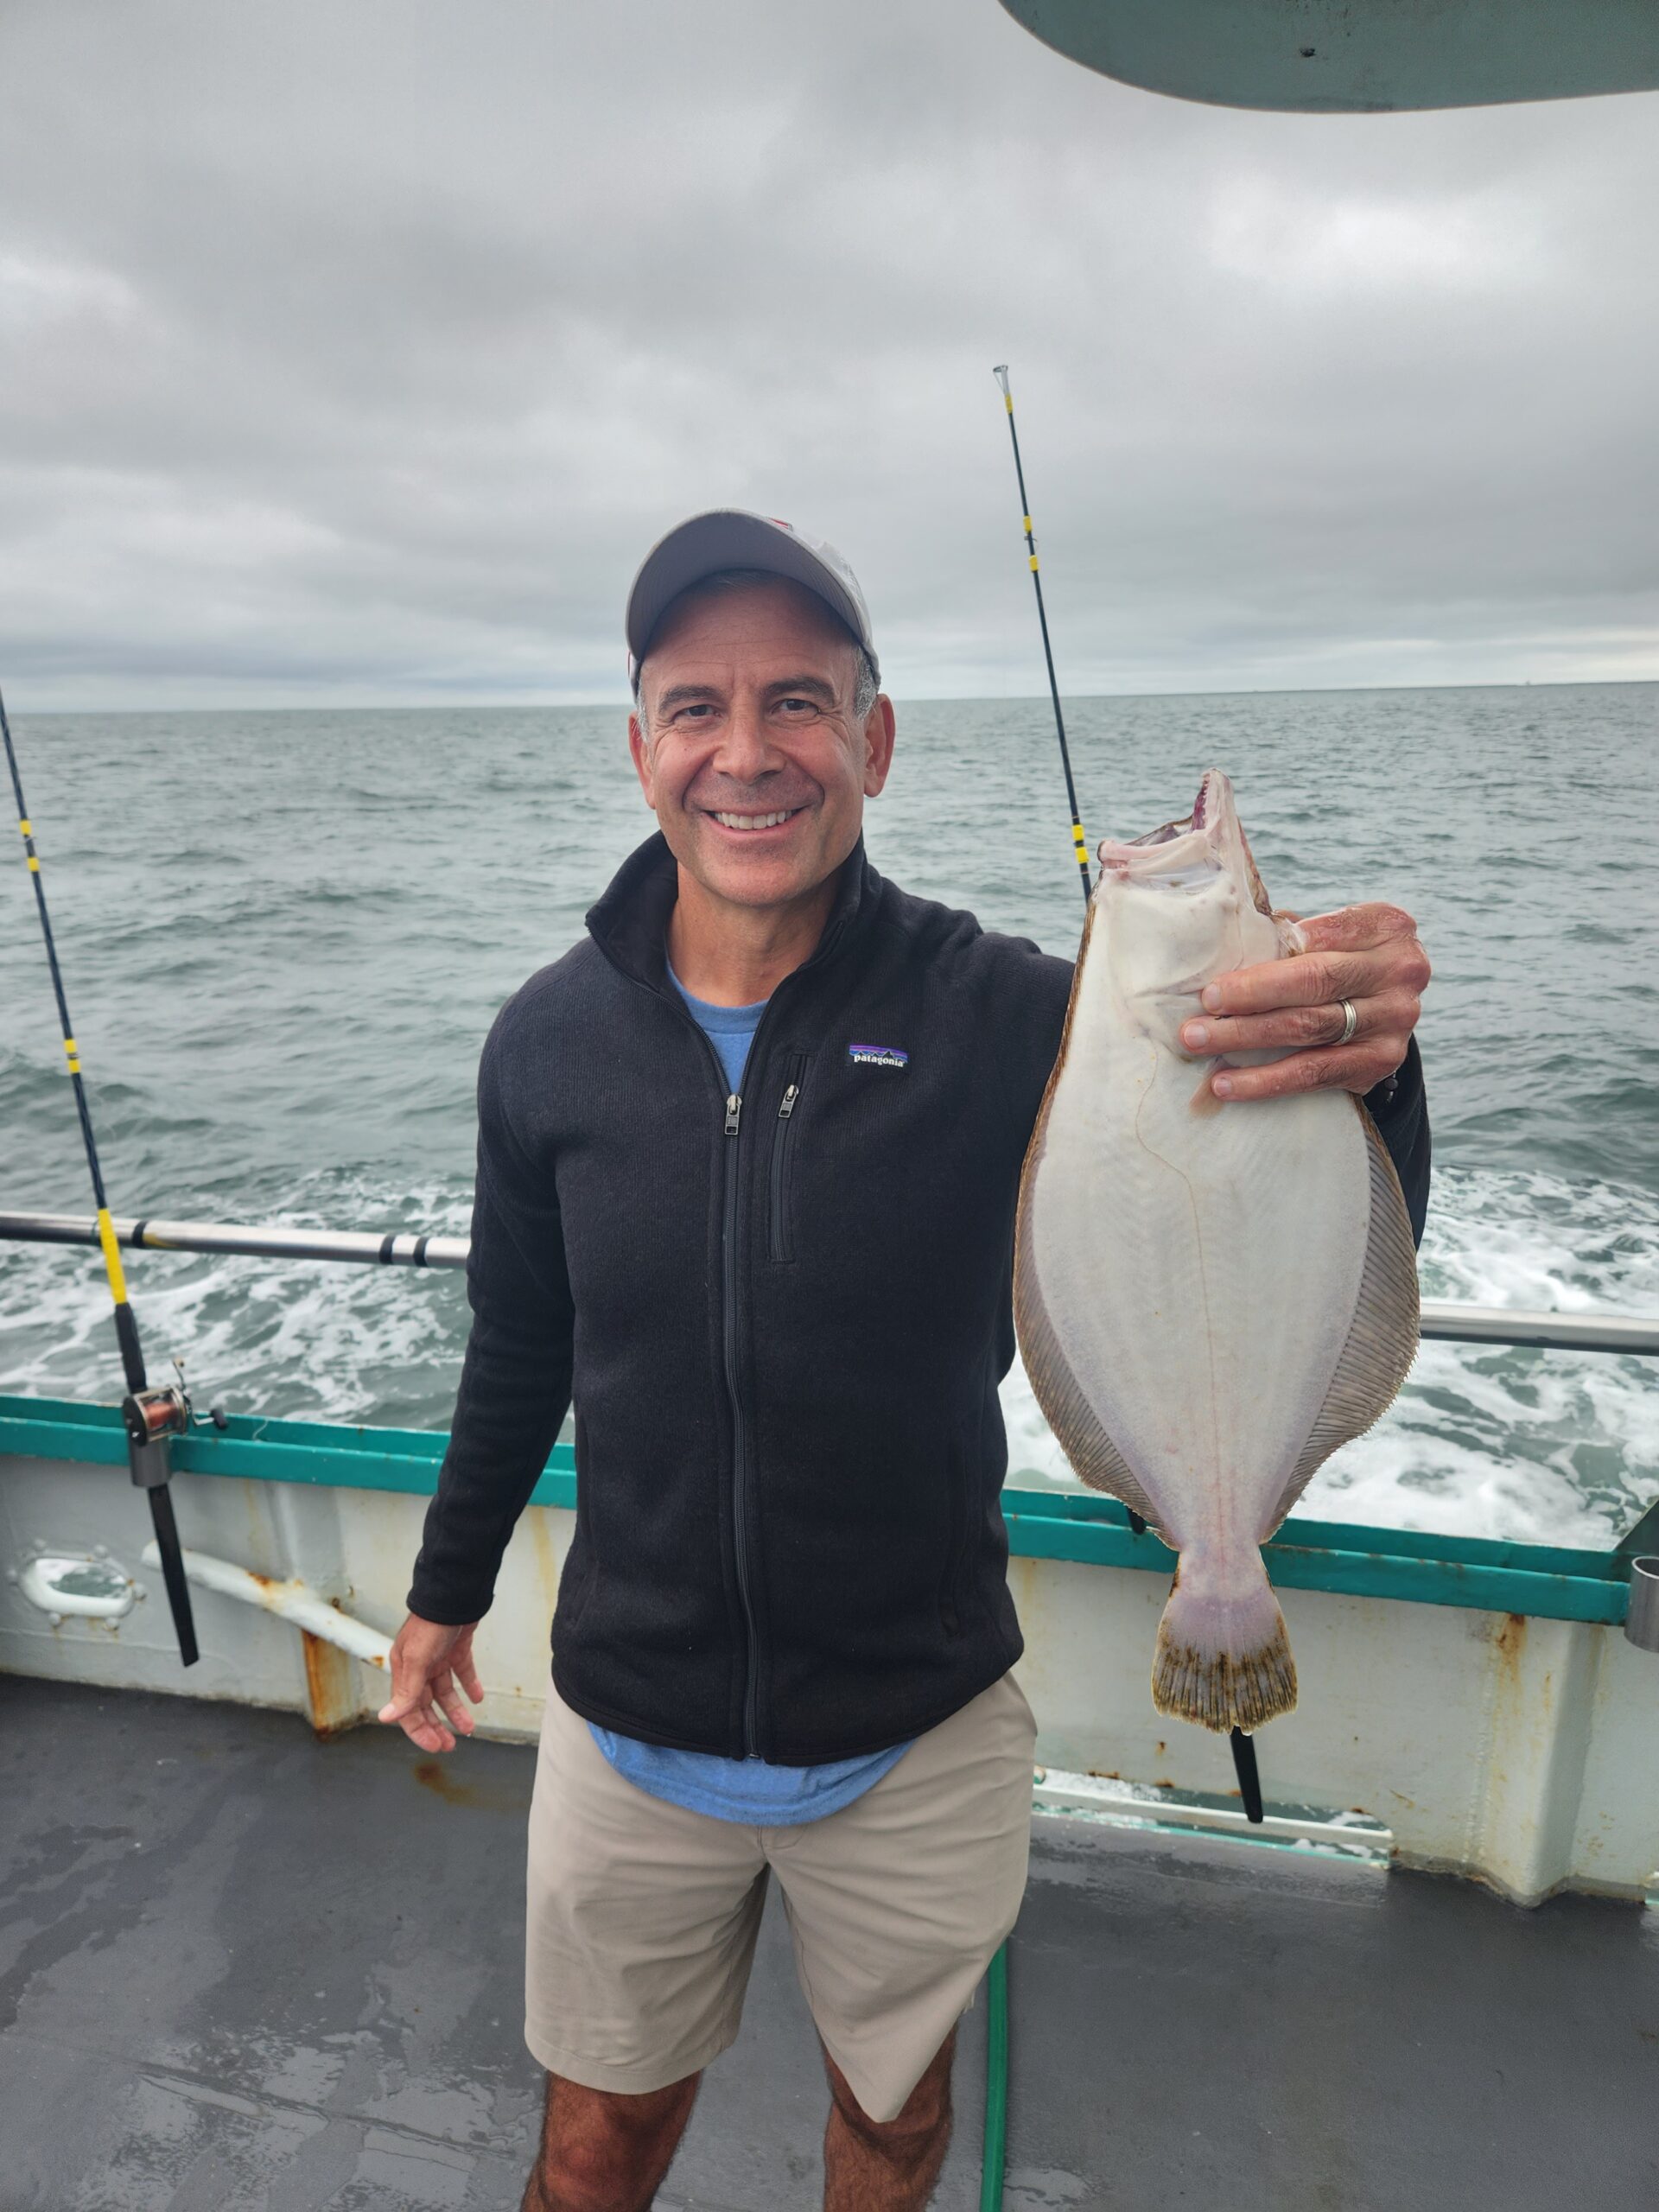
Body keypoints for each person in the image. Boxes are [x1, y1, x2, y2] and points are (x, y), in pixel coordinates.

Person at [378, 511, 1432, 2212]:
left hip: (918, 1725)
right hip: (628, 1725)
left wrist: (1363, 1058)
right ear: (641, 749)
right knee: (591, 2146)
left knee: (893, 2125)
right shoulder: (548, 1042)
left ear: (872, 742)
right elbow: (520, 1343)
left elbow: (1259, 1195)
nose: (746, 751)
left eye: (798, 701)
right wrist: (444, 1596)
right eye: (696, 706)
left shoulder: (1017, 1014)